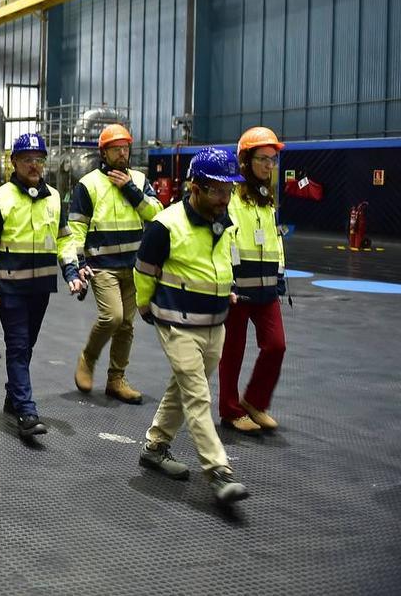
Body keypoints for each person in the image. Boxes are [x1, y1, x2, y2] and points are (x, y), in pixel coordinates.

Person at [135, 147, 250, 504]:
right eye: (217, 190)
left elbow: (222, 265)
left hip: (216, 324)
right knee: (198, 395)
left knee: (183, 387)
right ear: (195, 187)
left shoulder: (225, 223)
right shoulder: (165, 226)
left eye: (228, 190)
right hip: (176, 323)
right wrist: (146, 306)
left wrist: (226, 289)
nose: (224, 198)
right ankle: (218, 470)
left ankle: (155, 446)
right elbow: (144, 271)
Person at [0, 133, 86, 438]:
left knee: (28, 346)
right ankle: (26, 410)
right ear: (14, 163)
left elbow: (64, 240)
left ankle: (13, 397)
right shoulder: (1, 199)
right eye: (27, 160)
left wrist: (72, 272)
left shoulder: (52, 197)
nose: (34, 165)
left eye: (39, 159)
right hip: (10, 288)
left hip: (41, 288)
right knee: (19, 345)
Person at [68, 124, 162, 405]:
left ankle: (116, 379)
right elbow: (76, 229)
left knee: (126, 326)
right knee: (113, 317)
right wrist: (78, 262)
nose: (122, 153)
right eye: (116, 149)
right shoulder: (88, 185)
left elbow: (157, 215)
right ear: (104, 152)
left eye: (125, 148)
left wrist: (132, 190)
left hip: (133, 266)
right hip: (102, 265)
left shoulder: (139, 180)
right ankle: (88, 357)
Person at [219, 127, 288, 434]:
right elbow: (220, 243)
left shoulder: (267, 201)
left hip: (267, 288)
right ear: (245, 161)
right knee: (232, 352)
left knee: (276, 346)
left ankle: (255, 402)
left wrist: (281, 275)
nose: (269, 165)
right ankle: (231, 411)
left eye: (273, 159)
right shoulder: (230, 200)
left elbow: (275, 241)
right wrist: (226, 282)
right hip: (238, 291)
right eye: (263, 159)